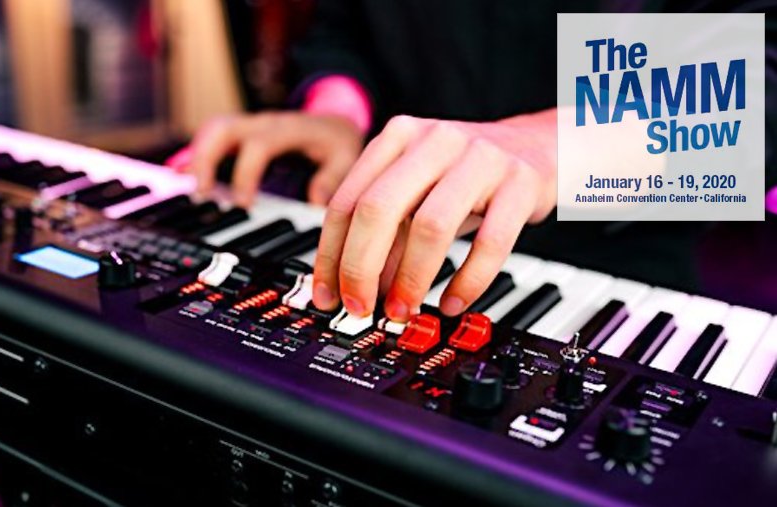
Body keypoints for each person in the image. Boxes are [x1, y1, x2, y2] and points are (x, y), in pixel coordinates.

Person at [168, 1, 777, 323]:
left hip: (613, 258)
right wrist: (337, 111)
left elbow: (763, 75)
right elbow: (345, 32)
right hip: (396, 230)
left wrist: (553, 143)